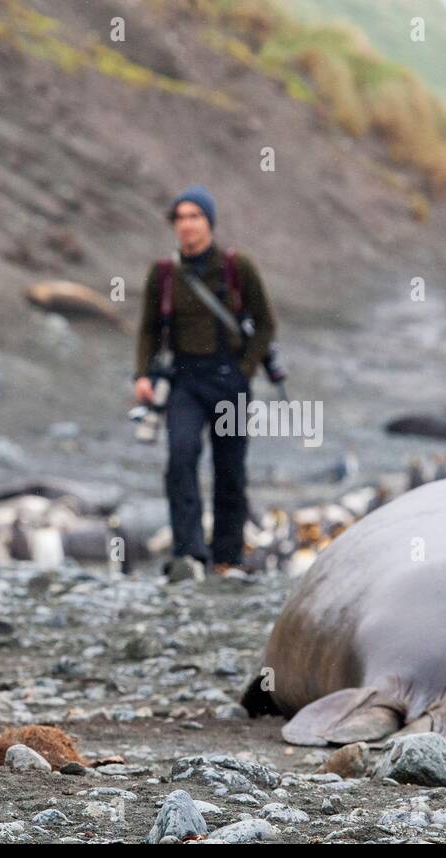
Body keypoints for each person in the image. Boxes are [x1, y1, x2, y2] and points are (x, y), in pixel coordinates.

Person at [134, 184, 276, 578]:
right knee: (180, 458)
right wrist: (143, 374)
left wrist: (244, 369)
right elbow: (147, 329)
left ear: (209, 222)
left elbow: (265, 324)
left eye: (194, 216)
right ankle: (190, 553)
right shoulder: (163, 274)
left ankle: (227, 557)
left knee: (230, 470)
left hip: (229, 380)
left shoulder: (236, 267)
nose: (186, 225)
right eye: (180, 218)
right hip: (184, 381)